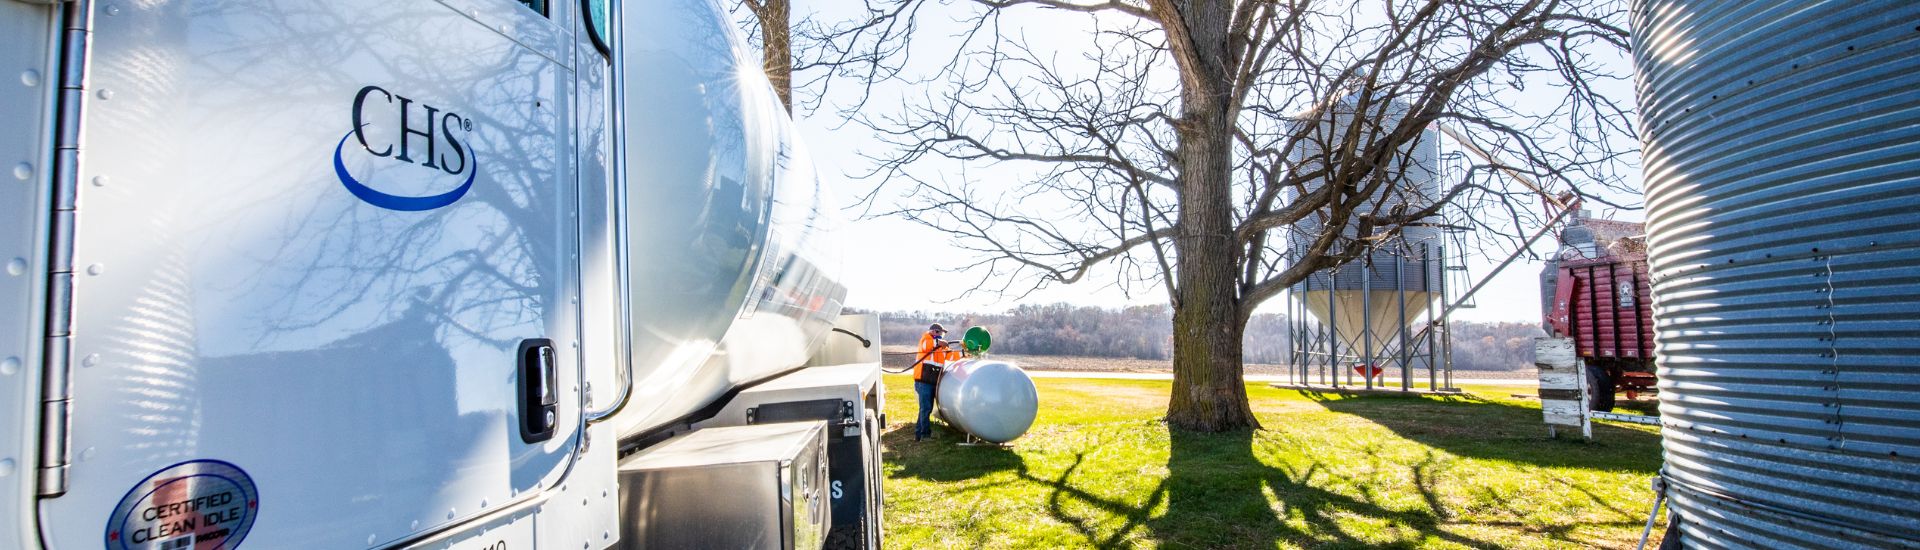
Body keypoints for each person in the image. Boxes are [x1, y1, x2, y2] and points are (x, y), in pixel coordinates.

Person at [912, 323, 961, 441]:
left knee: (925, 408)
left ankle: (919, 435)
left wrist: (965, 353)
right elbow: (926, 346)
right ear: (934, 332)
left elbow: (952, 356)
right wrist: (939, 343)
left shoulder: (941, 347)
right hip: (923, 382)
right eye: (941, 333)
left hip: (931, 382)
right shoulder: (926, 339)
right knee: (926, 408)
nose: (942, 336)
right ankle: (925, 435)